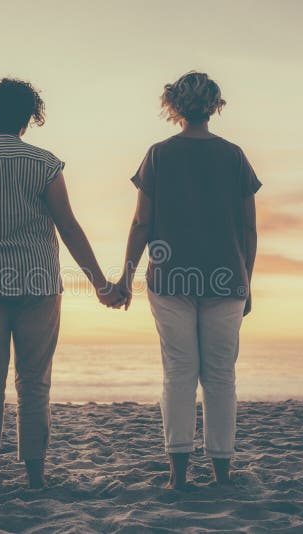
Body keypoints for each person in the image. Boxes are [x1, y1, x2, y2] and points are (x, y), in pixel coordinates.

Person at [0, 78, 125, 491]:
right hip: (36, 281)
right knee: (34, 379)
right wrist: (100, 284)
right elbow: (69, 228)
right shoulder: (45, 163)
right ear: (27, 121)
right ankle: (35, 476)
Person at [119, 71, 261, 489]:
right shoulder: (234, 156)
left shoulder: (158, 155)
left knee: (178, 373)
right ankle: (222, 472)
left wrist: (125, 277)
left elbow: (142, 222)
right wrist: (247, 281)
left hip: (170, 279)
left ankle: (178, 477)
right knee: (220, 376)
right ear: (215, 106)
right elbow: (249, 229)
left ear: (174, 106)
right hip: (226, 278)